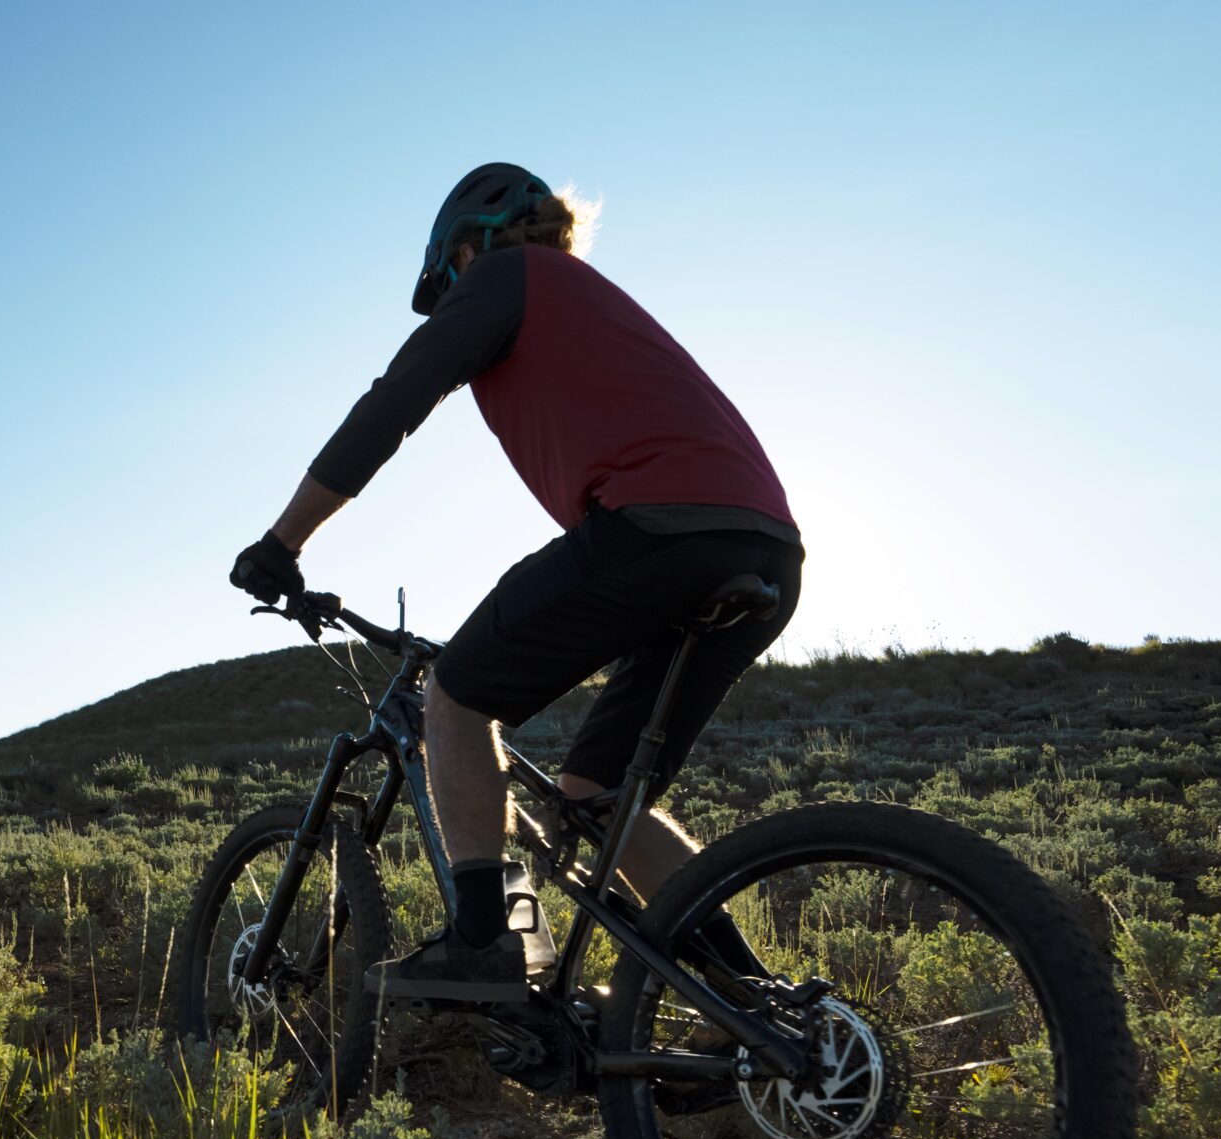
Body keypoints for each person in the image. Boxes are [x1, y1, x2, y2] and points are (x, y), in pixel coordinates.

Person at [229, 162, 802, 1004]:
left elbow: (394, 402)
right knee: (595, 799)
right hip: (764, 543)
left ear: (468, 249)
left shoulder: (506, 275)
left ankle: (480, 944)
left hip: (657, 525)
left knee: (456, 694)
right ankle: (752, 1007)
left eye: (452, 278)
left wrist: (284, 541)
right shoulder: (589, 300)